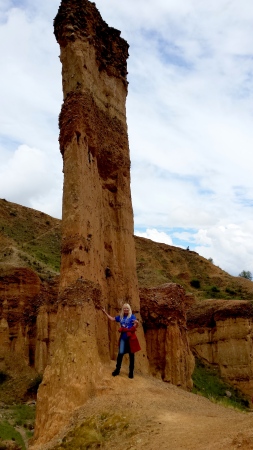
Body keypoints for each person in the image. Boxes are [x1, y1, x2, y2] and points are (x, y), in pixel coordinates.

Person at [102, 303, 141, 378]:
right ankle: (117, 370)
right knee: (120, 355)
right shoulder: (121, 317)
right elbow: (112, 319)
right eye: (124, 308)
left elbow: (135, 326)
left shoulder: (132, 317)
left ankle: (131, 372)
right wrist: (105, 312)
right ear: (123, 309)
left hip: (130, 339)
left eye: (127, 308)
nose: (126, 309)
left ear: (129, 309)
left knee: (131, 355)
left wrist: (137, 323)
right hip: (123, 339)